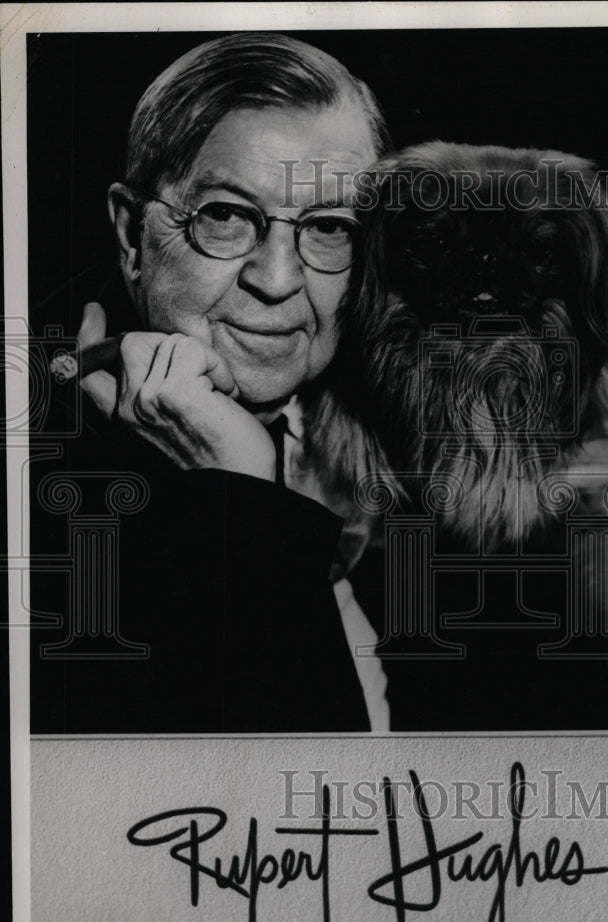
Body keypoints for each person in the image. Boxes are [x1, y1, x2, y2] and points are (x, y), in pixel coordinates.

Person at [30, 32, 391, 734]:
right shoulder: (48, 492)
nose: (279, 281)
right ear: (133, 235)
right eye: (224, 216)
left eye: (328, 227)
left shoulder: (381, 390)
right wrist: (242, 504)